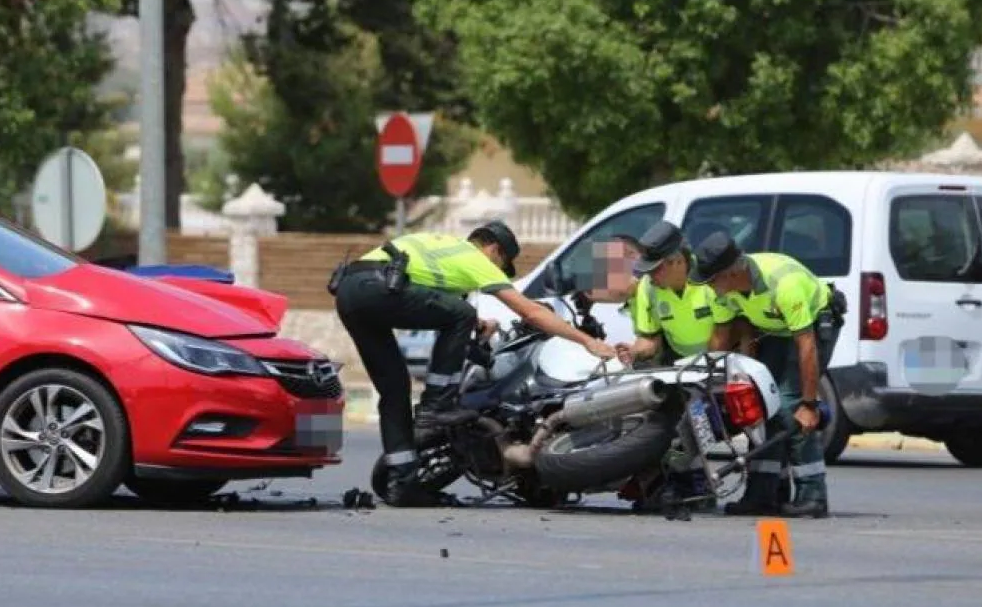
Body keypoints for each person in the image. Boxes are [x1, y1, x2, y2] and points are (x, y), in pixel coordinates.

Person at [330, 221, 618, 507]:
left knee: (394, 390)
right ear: (493, 249)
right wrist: (587, 341)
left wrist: (475, 323)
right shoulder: (472, 257)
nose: (497, 273)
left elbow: (425, 301)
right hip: (379, 287)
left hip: (351, 292)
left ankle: (403, 484)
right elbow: (529, 311)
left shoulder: (444, 247)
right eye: (501, 265)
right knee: (461, 314)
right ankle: (437, 406)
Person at [689, 231, 846, 518]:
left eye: (712, 279)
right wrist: (710, 387)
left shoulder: (784, 284)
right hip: (775, 329)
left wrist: (809, 405)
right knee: (758, 406)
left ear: (733, 272)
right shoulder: (722, 292)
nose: (709, 287)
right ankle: (765, 492)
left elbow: (806, 345)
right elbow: (720, 340)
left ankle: (813, 494)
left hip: (813, 328)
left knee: (789, 407)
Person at [614, 221, 751, 512]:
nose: (651, 276)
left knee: (695, 416)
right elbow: (649, 339)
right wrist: (633, 350)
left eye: (656, 268)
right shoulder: (649, 289)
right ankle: (675, 479)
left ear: (677, 261)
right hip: (680, 369)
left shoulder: (708, 282)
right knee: (652, 412)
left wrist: (706, 372)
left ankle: (698, 481)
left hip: (720, 363)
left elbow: (726, 335)